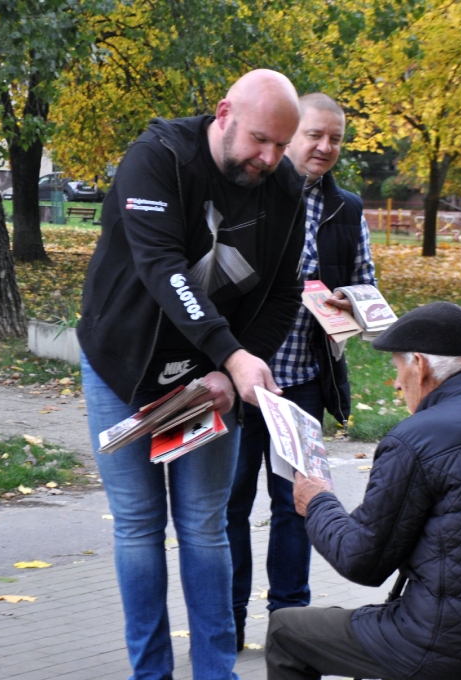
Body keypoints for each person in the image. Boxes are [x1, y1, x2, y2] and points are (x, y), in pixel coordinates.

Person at [76, 69, 306, 680]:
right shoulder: (158, 159)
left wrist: (231, 368)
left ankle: (215, 672)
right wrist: (232, 355)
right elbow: (163, 267)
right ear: (224, 113)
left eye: (282, 145)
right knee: (139, 525)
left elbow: (285, 294)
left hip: (209, 381)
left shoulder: (284, 185)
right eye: (260, 139)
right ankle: (150, 673)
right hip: (123, 364)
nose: (270, 158)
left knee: (204, 526)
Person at [265, 302, 461, 680]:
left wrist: (317, 502)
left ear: (419, 364)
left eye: (397, 368)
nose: (397, 383)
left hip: (450, 650)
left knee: (286, 631)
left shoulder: (416, 438)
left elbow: (361, 562)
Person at [225, 93, 376, 649]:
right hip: (241, 384)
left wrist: (349, 302)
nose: (325, 147)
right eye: (315, 135)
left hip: (303, 384)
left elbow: (368, 288)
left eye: (335, 139)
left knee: (298, 506)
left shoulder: (346, 209)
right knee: (230, 505)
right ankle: (227, 624)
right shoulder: (250, 192)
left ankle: (289, 628)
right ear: (291, 136)